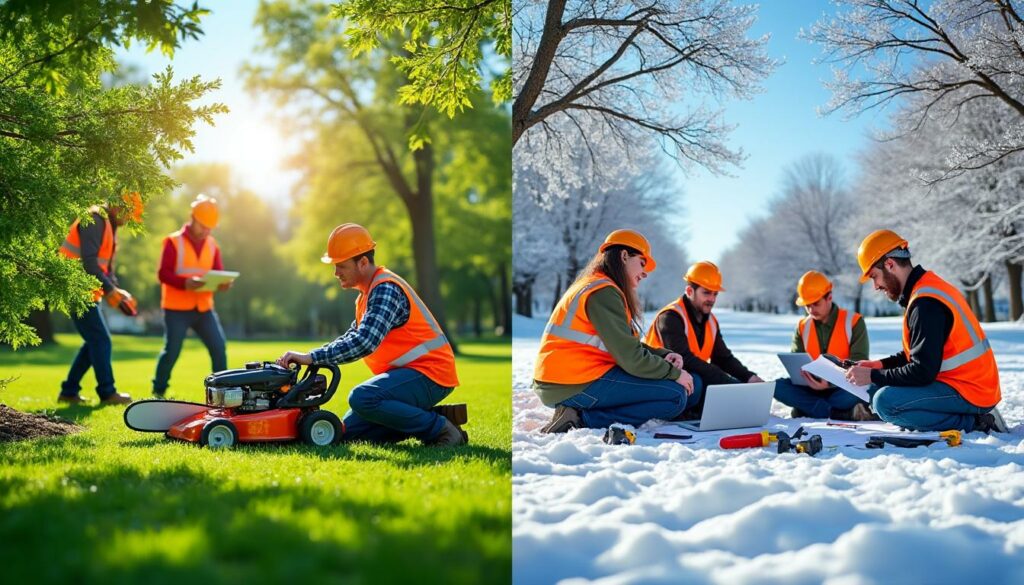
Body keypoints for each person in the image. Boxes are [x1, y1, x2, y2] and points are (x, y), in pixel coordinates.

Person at [275, 223, 465, 446]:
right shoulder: (366, 296)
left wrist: (312, 358)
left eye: (341, 266)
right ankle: (432, 417)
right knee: (345, 433)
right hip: (409, 377)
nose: (336, 273)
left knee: (362, 397)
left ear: (363, 262)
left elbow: (364, 342)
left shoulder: (386, 289)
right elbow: (349, 337)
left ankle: (442, 430)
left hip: (431, 374)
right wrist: (310, 355)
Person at [533, 229, 698, 433]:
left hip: (569, 377)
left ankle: (580, 412)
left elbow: (626, 345)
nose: (645, 273)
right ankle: (578, 418)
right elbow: (631, 359)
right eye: (642, 262)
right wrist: (673, 374)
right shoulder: (603, 292)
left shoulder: (600, 286)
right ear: (624, 256)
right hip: (570, 382)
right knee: (674, 395)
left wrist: (663, 355)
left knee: (678, 388)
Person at [844, 229, 1006, 433]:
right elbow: (917, 354)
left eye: (874, 277)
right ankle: (969, 415)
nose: (876, 286)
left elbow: (922, 371)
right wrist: (877, 366)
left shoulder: (925, 304)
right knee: (878, 388)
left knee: (885, 402)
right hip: (969, 384)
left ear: (890, 264)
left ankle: (976, 422)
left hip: (970, 390)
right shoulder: (926, 289)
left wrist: (873, 375)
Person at [644, 261, 762, 416]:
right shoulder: (670, 317)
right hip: (659, 380)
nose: (711, 299)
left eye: (715, 294)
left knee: (706, 383)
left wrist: (749, 378)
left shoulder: (711, 320)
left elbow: (723, 358)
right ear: (689, 291)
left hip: (689, 379)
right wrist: (727, 382)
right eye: (706, 293)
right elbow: (684, 359)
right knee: (700, 383)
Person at [57, 192, 143, 405]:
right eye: (129, 214)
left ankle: (68, 391)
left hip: (88, 290)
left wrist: (116, 292)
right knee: (101, 340)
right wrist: (111, 289)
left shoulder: (108, 225)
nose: (129, 219)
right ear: (118, 206)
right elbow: (89, 263)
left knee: (94, 342)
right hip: (75, 289)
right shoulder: (94, 220)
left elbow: (105, 267)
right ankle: (107, 392)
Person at [152, 195, 232, 397]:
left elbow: (218, 272)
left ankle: (220, 394)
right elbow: (163, 274)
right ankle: (158, 391)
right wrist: (184, 283)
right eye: (203, 225)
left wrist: (223, 284)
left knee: (219, 348)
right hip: (176, 308)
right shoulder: (172, 242)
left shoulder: (213, 245)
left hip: (204, 307)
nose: (206, 230)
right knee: (172, 351)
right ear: (192, 218)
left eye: (210, 227)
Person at [772, 270, 873, 420]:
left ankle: (810, 409)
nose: (811, 310)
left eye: (816, 303)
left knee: (869, 389)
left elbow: (859, 363)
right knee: (777, 387)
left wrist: (829, 384)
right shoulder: (802, 326)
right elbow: (796, 363)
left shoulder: (854, 322)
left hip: (842, 388)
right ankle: (837, 413)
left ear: (829, 297)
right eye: (807, 306)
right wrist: (808, 381)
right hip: (809, 388)